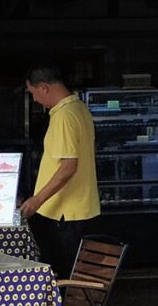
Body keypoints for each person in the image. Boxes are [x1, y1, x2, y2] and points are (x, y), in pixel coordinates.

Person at [20, 66, 100, 279]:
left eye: (33, 93)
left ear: (43, 88)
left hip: (64, 213)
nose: (35, 100)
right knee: (76, 274)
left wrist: (37, 200)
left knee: (61, 275)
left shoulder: (63, 116)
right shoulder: (79, 108)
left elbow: (68, 166)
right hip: (82, 208)